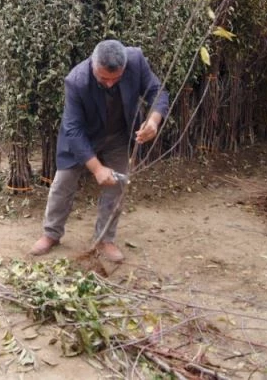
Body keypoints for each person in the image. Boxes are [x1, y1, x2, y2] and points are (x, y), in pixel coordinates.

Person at [30, 39, 169, 262]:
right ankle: (51, 234)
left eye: (117, 78)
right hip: (82, 137)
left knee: (117, 184)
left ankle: (104, 239)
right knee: (63, 183)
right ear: (93, 66)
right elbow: (73, 130)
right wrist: (96, 168)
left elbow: (157, 91)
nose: (111, 84)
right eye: (104, 79)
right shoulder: (77, 81)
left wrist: (154, 120)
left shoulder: (136, 61)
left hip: (118, 134)